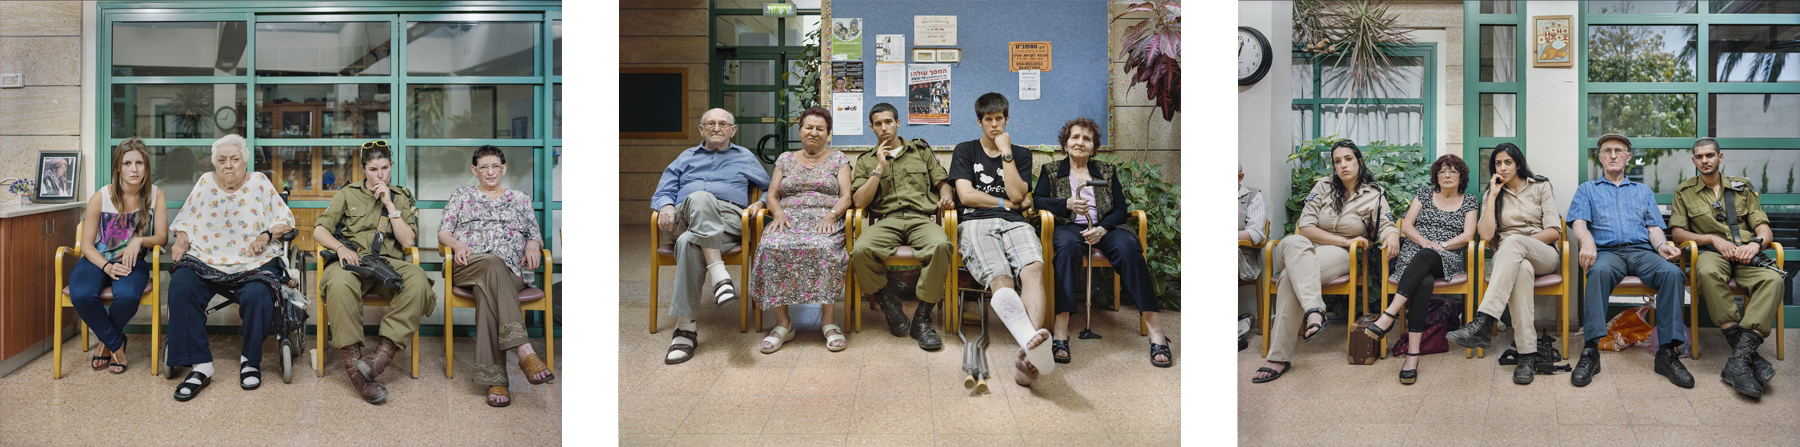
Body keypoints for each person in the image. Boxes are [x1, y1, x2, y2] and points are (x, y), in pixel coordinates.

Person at [1251, 139, 1400, 384]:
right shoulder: (1322, 186)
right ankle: (1315, 309)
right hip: (1305, 247)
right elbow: (1305, 227)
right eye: (1337, 161)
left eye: (1348, 159)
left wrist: (1393, 235)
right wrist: (1345, 241)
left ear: (1359, 161)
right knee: (1295, 241)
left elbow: (1386, 225)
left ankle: (1278, 357)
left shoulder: (1374, 193)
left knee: (1289, 278)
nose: (1343, 165)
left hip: (1337, 257)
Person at [165, 134, 296, 401]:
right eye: (222, 160)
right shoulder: (204, 182)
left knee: (260, 294)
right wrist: (181, 239)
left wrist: (266, 236)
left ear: (244, 161)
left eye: (234, 159)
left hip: (252, 262)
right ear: (214, 164)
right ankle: (200, 365)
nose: (228, 165)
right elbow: (185, 221)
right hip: (206, 259)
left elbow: (286, 220)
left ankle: (250, 360)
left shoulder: (259, 182)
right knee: (181, 285)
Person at [1032, 117, 1171, 367]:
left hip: (1105, 227)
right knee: (1065, 249)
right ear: (1065, 144)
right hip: (1069, 227)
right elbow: (1038, 200)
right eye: (1075, 137)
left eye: (1087, 138)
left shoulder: (1107, 172)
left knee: (1129, 250)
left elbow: (1120, 208)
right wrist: (1065, 204)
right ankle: (1061, 328)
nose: (1080, 142)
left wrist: (1102, 229)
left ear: (1094, 147)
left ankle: (1156, 330)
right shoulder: (1051, 171)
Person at [313, 140, 433, 404]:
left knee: (418, 278)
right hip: (353, 263)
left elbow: (408, 242)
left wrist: (390, 205)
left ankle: (380, 358)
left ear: (392, 166)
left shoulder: (402, 196)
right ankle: (355, 368)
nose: (380, 175)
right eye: (373, 169)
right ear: (363, 169)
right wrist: (340, 249)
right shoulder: (347, 194)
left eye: (385, 168)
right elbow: (319, 230)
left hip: (386, 266)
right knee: (339, 283)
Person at [1568, 133, 1691, 388]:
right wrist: (1587, 242)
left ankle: (1667, 353)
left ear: (1628, 158)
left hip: (1642, 251)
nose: (1613, 155)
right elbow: (1579, 223)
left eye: (1619, 151)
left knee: (1673, 273)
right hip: (1607, 252)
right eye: (1608, 150)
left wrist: (1661, 246)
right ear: (1600, 157)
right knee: (1598, 272)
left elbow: (1654, 227)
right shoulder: (1587, 189)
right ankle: (1590, 352)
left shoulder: (1643, 191)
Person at [652, 108, 772, 364]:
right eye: (710, 124)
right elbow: (662, 192)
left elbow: (770, 189)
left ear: (733, 130)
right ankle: (720, 275)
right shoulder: (685, 157)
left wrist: (760, 204)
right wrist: (665, 206)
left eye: (722, 124)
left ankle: (685, 330)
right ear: (701, 129)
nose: (716, 128)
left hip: (728, 219)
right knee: (699, 198)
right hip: (686, 216)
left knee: (688, 242)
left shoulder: (745, 157)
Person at [439, 145, 555, 407]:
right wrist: (457, 245)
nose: (490, 172)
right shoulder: (462, 195)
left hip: (511, 271)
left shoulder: (520, 199)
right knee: (491, 264)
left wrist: (534, 245)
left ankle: (497, 380)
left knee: (487, 289)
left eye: (495, 166)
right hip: (467, 265)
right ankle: (524, 350)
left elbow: (533, 233)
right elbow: (444, 232)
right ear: (474, 171)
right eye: (483, 167)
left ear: (504, 169)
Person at [949, 93, 1051, 386]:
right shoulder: (965, 150)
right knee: (1001, 279)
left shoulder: (1019, 154)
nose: (994, 125)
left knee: (1033, 269)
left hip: (1015, 223)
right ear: (979, 121)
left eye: (999, 119)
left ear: (1007, 120)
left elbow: (1019, 195)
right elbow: (966, 196)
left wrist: (1005, 153)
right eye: (989, 119)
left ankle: (1028, 350)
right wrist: (1002, 203)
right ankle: (1031, 350)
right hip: (975, 223)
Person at [1669, 138, 1781, 398]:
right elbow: (1676, 233)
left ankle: (1739, 360)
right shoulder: (1684, 191)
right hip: (1712, 254)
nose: (1704, 160)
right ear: (1694, 161)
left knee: (1773, 280)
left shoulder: (1742, 187)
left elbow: (1764, 227)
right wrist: (1711, 239)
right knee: (1706, 273)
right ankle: (1746, 358)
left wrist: (1756, 244)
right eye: (1699, 157)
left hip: (1745, 254)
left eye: (1710, 155)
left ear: (1721, 157)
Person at [1445, 144, 1565, 385]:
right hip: (1513, 261)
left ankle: (1484, 320)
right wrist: (1492, 197)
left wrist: (1519, 243)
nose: (1502, 167)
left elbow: (1554, 231)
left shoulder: (1540, 186)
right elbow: (1486, 235)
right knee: (1520, 271)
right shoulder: (1493, 194)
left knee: (1512, 243)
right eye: (1498, 163)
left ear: (1518, 164)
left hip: (1543, 254)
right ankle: (1527, 355)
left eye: (1507, 162)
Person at [849, 102, 956, 350]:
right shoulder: (866, 160)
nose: (884, 127)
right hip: (888, 221)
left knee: (941, 245)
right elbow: (859, 202)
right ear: (871, 128)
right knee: (860, 251)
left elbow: (942, 182)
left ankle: (922, 317)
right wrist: (878, 169)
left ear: (898, 123)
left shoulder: (921, 151)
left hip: (920, 218)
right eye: (878, 124)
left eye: (888, 122)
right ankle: (887, 301)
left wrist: (947, 195)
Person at [1363, 154, 1478, 384]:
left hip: (1447, 258)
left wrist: (1440, 245)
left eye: (1453, 171)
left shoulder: (1469, 200)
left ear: (1461, 176)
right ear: (1436, 175)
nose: (1447, 175)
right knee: (1424, 278)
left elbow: (1468, 235)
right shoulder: (1425, 193)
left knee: (1427, 255)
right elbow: (1406, 225)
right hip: (1416, 255)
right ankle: (1412, 356)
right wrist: (1426, 242)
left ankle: (1389, 315)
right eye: (1442, 171)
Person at [746, 107, 853, 353]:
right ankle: (783, 324)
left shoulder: (839, 159)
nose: (814, 133)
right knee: (772, 245)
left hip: (825, 218)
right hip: (788, 218)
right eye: (809, 127)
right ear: (800, 130)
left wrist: (832, 215)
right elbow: (772, 194)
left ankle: (828, 321)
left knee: (824, 246)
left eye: (820, 129)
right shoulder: (784, 159)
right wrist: (779, 213)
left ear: (828, 133)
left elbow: (846, 196)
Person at [68, 137, 168, 375]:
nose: (134, 169)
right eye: (127, 163)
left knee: (127, 295)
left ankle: (105, 343)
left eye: (139, 163)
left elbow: (162, 237)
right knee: (81, 294)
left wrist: (139, 240)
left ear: (146, 166)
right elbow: (87, 246)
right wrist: (106, 267)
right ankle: (116, 344)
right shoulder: (101, 197)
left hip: (134, 263)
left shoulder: (156, 195)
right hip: (96, 260)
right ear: (118, 167)